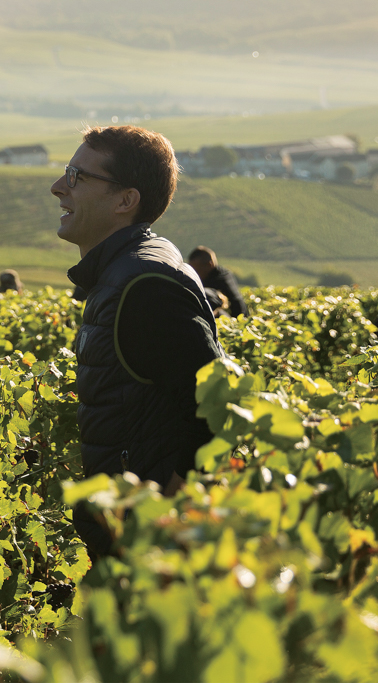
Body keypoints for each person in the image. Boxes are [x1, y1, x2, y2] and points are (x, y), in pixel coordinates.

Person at [52, 125, 223, 557]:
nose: (58, 188)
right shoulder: (126, 273)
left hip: (148, 544)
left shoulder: (144, 286)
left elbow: (215, 405)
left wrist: (164, 516)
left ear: (126, 201)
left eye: (77, 177)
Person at [187, 246, 247, 317]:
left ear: (209, 265)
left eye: (197, 270)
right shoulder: (201, 278)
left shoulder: (222, 280)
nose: (194, 274)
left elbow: (238, 305)